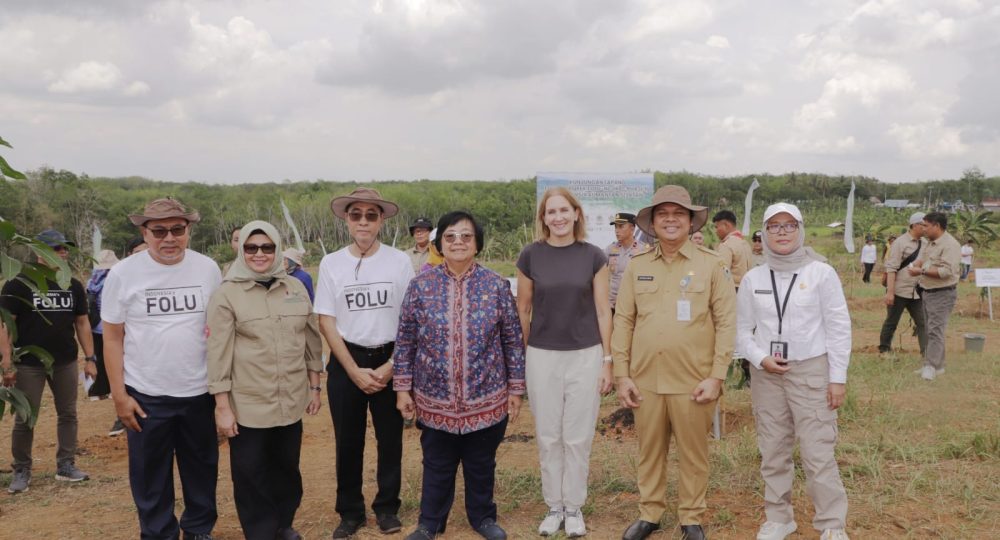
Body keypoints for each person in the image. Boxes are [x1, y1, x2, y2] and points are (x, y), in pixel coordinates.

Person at [613, 186, 735, 540]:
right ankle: (649, 513)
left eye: (678, 213)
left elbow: (727, 322)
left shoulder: (712, 264)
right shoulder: (637, 267)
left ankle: (691, 517)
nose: (670, 219)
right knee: (649, 451)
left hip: (694, 381)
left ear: (689, 221)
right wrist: (622, 374)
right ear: (651, 222)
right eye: (662, 213)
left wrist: (716, 376)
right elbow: (624, 321)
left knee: (694, 454)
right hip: (646, 379)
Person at [394, 211, 525, 540]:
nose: (458, 242)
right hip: (435, 400)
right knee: (437, 464)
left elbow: (512, 339)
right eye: (450, 236)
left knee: (481, 463)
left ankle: (482, 518)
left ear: (477, 244)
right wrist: (402, 389)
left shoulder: (496, 285)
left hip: (487, 397)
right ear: (440, 244)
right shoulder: (420, 285)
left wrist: (516, 389)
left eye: (466, 236)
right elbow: (406, 339)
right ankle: (429, 523)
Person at [101, 197, 222, 540]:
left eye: (177, 229)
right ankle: (158, 534)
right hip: (146, 393)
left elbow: (218, 327)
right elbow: (112, 338)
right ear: (145, 231)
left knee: (201, 469)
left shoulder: (208, 269)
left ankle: (198, 530)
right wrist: (120, 395)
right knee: (149, 475)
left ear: (188, 230)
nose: (169, 238)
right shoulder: (124, 274)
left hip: (199, 390)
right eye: (159, 231)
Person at [736, 203, 851, 540]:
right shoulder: (753, 278)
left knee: (818, 451)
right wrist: (760, 359)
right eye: (774, 226)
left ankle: (831, 523)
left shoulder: (821, 273)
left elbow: (838, 327)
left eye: (789, 225)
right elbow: (741, 331)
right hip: (767, 373)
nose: (782, 232)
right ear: (764, 234)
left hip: (812, 370)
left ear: (800, 230)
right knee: (773, 448)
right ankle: (779, 517)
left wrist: (837, 378)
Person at [207, 221, 323, 540]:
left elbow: (312, 341)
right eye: (251, 248)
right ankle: (260, 532)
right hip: (248, 404)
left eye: (267, 247)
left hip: (292, 398)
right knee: (250, 473)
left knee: (287, 469)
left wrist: (314, 387)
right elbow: (218, 352)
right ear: (242, 250)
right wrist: (222, 406)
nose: (259, 254)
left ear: (277, 251)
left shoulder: (295, 288)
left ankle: (283, 524)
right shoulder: (227, 294)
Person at [314, 187, 415, 538]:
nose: (363, 221)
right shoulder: (331, 263)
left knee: (390, 441)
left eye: (371, 215)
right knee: (348, 441)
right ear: (346, 219)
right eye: (356, 214)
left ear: (381, 220)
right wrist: (352, 369)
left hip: (390, 356)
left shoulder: (399, 261)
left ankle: (387, 508)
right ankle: (351, 512)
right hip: (347, 360)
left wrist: (391, 366)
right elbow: (326, 320)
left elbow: (410, 319)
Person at [516, 187, 613, 538]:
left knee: (577, 435)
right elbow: (523, 308)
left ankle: (573, 508)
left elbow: (604, 310)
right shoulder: (531, 255)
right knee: (547, 435)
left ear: (576, 214)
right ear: (543, 218)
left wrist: (607, 360)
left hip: (585, 355)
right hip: (542, 355)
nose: (557, 217)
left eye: (563, 211)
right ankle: (553, 506)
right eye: (550, 212)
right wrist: (527, 352)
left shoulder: (594, 256)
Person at [2, 229, 96, 494]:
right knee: (25, 417)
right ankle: (21, 469)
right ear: (38, 252)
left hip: (65, 361)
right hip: (28, 363)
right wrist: (7, 362)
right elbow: (6, 326)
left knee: (68, 413)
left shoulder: (73, 284)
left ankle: (66, 465)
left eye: (65, 248)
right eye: (56, 249)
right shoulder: (18, 283)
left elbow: (82, 322)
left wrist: (90, 358)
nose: (62, 253)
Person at [909, 212, 961, 381]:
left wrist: (921, 270)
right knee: (932, 329)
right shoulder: (930, 243)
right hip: (927, 291)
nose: (923, 229)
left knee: (935, 331)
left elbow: (945, 272)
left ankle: (930, 366)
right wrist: (915, 265)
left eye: (926, 226)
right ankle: (938, 366)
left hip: (942, 293)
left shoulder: (950, 245)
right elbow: (922, 259)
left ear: (937, 226)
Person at [86, 249, 125, 436]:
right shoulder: (96, 283)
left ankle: (109, 397)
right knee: (108, 366)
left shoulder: (95, 282)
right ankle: (108, 393)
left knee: (112, 365)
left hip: (107, 330)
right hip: (105, 331)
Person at [878, 213, 928, 355]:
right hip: (899, 290)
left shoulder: (925, 243)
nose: (925, 228)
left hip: (916, 292)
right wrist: (890, 293)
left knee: (923, 322)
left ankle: (927, 353)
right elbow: (892, 268)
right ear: (915, 225)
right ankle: (884, 350)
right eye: (923, 225)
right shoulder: (900, 243)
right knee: (892, 322)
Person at [605, 212, 648, 314]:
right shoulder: (611, 249)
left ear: (632, 229)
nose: (617, 231)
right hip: (612, 306)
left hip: (633, 306)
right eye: (615, 227)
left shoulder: (643, 250)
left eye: (621, 227)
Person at [712, 210, 752, 290]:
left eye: (717, 227)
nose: (715, 231)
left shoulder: (726, 245)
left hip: (732, 289)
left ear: (726, 225)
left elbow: (722, 273)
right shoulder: (746, 244)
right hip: (747, 288)